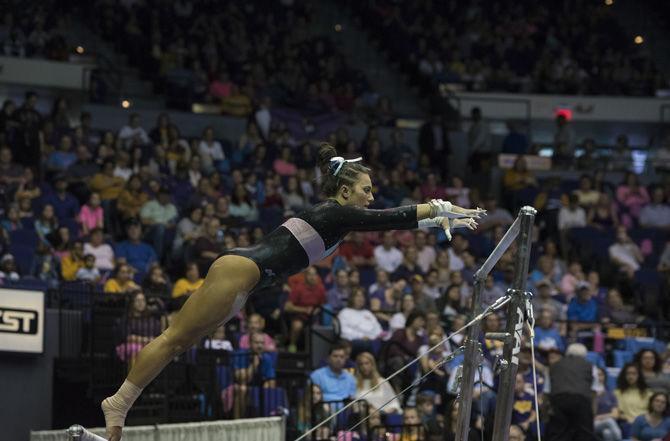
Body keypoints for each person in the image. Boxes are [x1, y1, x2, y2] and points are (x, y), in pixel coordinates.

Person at [100, 143, 484, 440]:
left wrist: (431, 219)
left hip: (247, 284)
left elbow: (366, 205)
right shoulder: (335, 212)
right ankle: (118, 404)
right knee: (171, 339)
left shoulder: (339, 215)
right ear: (346, 191)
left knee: (179, 345)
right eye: (366, 190)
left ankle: (120, 408)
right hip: (239, 271)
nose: (370, 196)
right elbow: (385, 220)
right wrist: (434, 209)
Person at [546, 343, 599, 441]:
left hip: (559, 401)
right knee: (584, 435)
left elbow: (547, 390)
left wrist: (547, 409)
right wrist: (593, 412)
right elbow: (594, 392)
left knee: (558, 435)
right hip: (581, 402)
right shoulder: (590, 366)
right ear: (584, 355)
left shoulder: (555, 365)